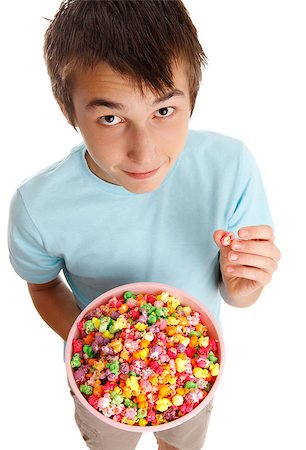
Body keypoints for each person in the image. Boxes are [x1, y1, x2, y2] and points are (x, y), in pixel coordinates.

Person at [7, 1, 281, 449]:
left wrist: (245, 285)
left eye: (165, 111)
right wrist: (98, 347)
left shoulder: (230, 166)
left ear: (193, 96)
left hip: (193, 368)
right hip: (101, 379)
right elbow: (41, 286)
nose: (145, 152)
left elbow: (238, 294)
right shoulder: (38, 205)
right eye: (111, 118)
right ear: (66, 108)